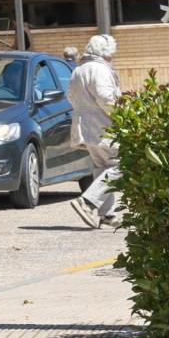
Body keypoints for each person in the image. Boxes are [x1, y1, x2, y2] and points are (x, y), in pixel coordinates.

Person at [68, 35, 125, 229]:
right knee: (121, 165)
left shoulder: (78, 70)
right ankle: (87, 201)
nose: (113, 56)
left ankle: (107, 214)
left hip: (85, 126)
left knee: (102, 166)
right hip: (103, 126)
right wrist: (122, 115)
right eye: (112, 52)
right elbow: (106, 98)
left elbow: (71, 97)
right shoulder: (99, 69)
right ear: (105, 52)